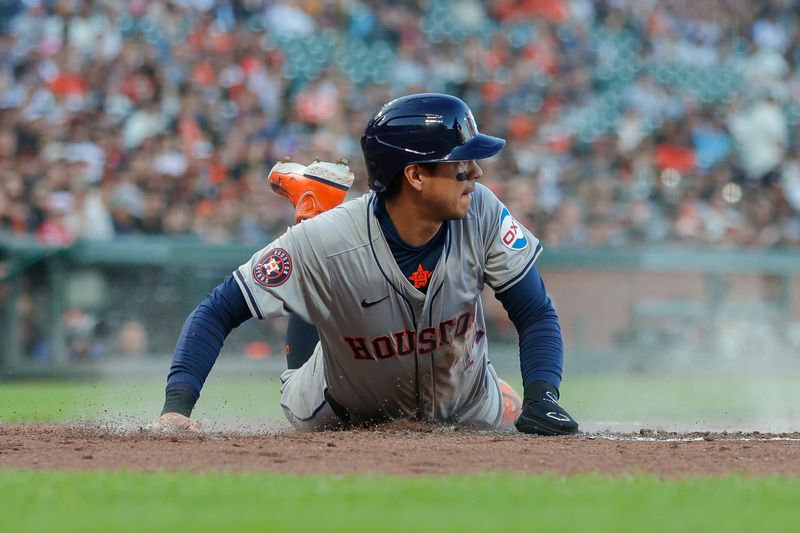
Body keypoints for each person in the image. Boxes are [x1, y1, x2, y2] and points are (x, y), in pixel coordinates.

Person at [154, 93, 578, 435]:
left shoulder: (480, 211)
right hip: (338, 410)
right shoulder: (330, 243)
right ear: (415, 176)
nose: (477, 173)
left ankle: (499, 393)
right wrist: (176, 409)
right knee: (319, 257)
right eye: (460, 165)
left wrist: (543, 397)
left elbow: (534, 310)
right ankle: (314, 212)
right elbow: (218, 309)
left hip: (465, 404)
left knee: (501, 408)